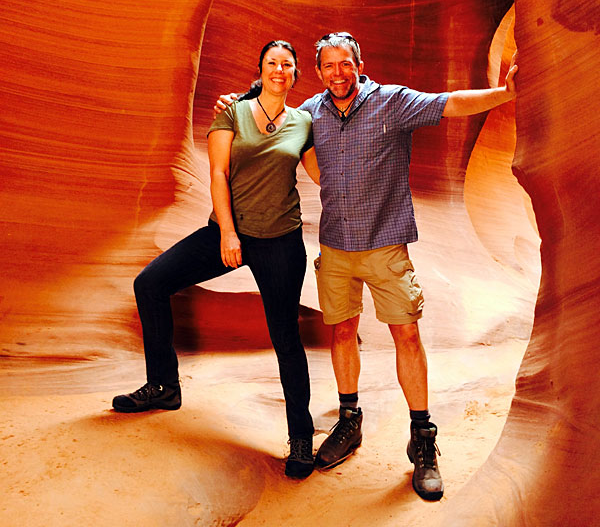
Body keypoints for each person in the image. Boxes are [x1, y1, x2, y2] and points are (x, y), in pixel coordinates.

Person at [215, 31, 518, 501]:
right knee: (341, 332)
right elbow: (266, 110)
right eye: (328, 66)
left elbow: (450, 102)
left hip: (385, 246)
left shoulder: (391, 102)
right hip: (336, 248)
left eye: (345, 64)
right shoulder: (310, 112)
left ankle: (422, 439)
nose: (338, 73)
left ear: (359, 62)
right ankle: (349, 420)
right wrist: (237, 99)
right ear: (318, 72)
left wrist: (504, 94)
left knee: (407, 335)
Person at [112, 40, 321, 479]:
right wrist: (227, 232)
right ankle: (164, 386)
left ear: (296, 74)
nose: (279, 70)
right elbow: (219, 172)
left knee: (285, 336)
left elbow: (321, 175)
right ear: (260, 69)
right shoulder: (232, 112)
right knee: (150, 283)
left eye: (287, 65)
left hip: (281, 240)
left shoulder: (304, 122)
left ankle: (301, 438)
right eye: (271, 63)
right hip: (227, 231)